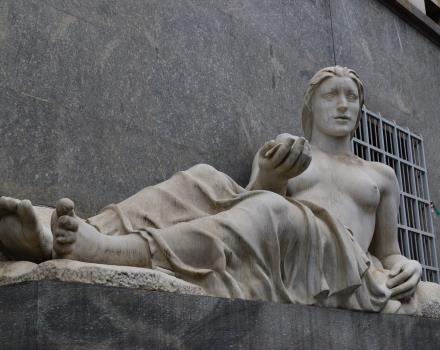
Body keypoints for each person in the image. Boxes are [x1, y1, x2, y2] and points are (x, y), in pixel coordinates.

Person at [0, 66, 429, 314]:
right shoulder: (291, 152)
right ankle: (68, 232)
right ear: (310, 107)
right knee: (204, 177)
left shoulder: (380, 174)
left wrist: (404, 263)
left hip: (344, 262)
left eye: (351, 97)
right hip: (290, 254)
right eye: (332, 95)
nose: (343, 104)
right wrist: (269, 176)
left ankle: (109, 251)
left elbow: (388, 250)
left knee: (271, 211)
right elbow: (242, 207)